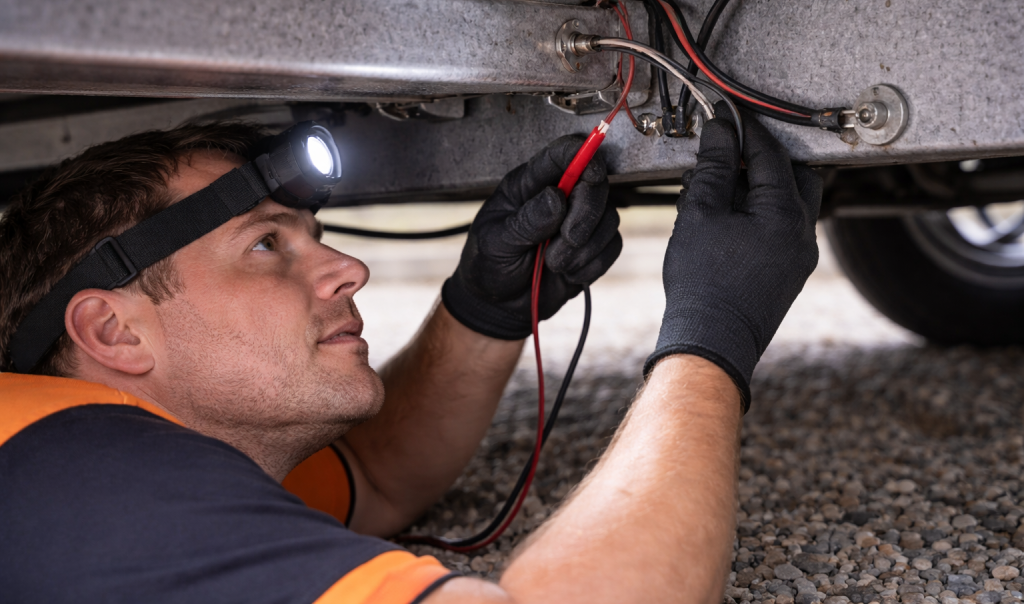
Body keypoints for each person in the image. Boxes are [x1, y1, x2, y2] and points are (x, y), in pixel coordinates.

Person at [0, 106, 821, 604]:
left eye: (313, 238)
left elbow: (381, 479)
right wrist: (710, 337)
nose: (348, 269)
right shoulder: (89, 490)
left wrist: (486, 309)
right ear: (114, 331)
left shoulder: (66, 447)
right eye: (264, 245)